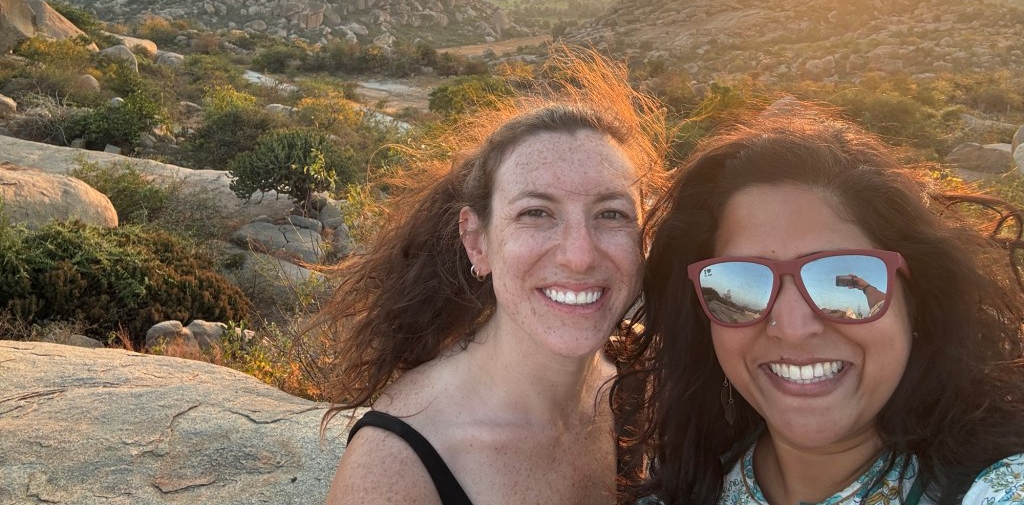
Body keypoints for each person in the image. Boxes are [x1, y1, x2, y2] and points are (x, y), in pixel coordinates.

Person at [618, 103, 1024, 505]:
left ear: (916, 299)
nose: (793, 327)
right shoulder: (680, 488)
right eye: (740, 286)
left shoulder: (997, 489)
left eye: (839, 277)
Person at [317, 50, 667, 505]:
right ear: (476, 241)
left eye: (611, 214)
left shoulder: (640, 377)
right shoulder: (396, 468)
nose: (579, 256)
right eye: (536, 213)